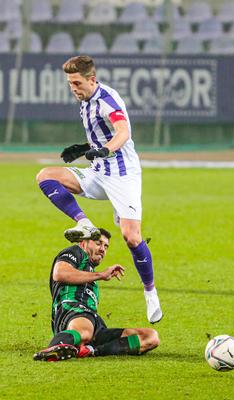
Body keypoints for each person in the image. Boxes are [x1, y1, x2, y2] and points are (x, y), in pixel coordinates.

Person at [36, 55, 162, 324]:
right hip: (98, 173)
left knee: (131, 237)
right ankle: (85, 224)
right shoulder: (85, 102)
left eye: (77, 83)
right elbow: (100, 133)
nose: (74, 88)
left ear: (91, 80)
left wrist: (106, 149)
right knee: (45, 176)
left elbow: (122, 132)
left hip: (123, 175)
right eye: (70, 84)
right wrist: (84, 147)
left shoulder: (108, 99)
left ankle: (150, 292)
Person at [33, 228, 160, 361]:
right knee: (85, 332)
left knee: (151, 337)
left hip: (94, 322)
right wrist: (101, 275)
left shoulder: (89, 273)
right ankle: (53, 348)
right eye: (98, 243)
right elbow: (59, 273)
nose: (103, 249)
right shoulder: (76, 252)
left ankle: (92, 350)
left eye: (106, 246)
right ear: (84, 242)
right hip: (71, 310)